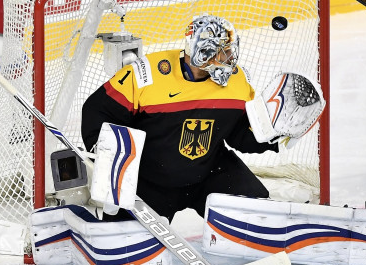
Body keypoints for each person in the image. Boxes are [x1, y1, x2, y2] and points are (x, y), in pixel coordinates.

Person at [81, 14, 277, 222]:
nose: (231, 58)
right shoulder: (146, 75)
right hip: (148, 180)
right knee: (125, 242)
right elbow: (98, 112)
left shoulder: (237, 81)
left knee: (258, 216)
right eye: (225, 52)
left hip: (209, 171)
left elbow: (240, 134)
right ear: (204, 53)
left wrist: (274, 135)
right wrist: (110, 166)